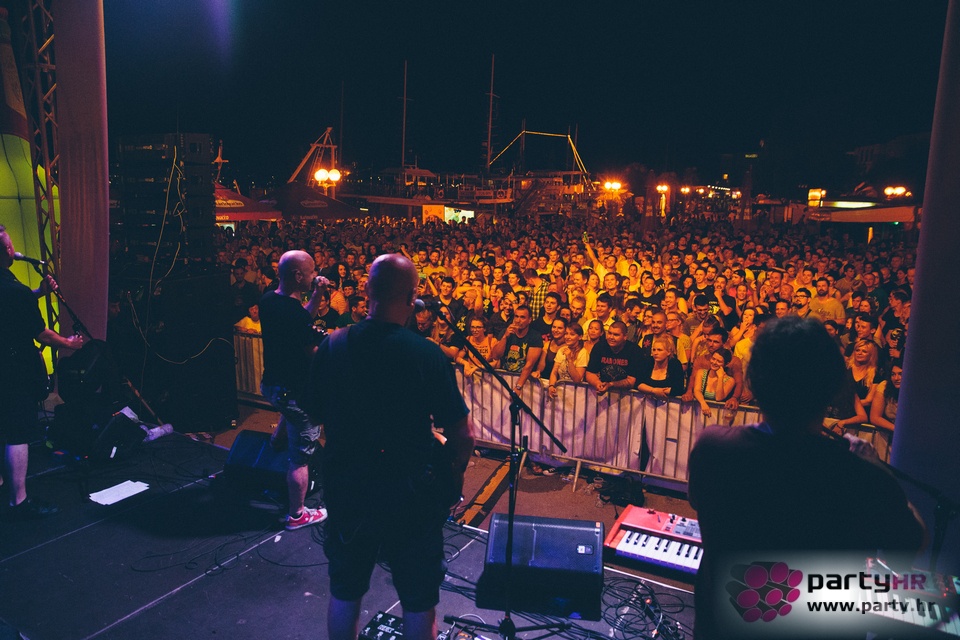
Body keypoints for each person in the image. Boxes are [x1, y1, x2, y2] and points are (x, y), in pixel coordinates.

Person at [688, 317, 924, 640]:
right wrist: (876, 468)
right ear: (832, 387)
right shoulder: (860, 474)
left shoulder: (713, 448)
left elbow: (698, 501)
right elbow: (913, 541)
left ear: (754, 382)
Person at [304, 254, 475, 640]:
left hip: (349, 486)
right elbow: (463, 433)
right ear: (414, 296)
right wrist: (453, 476)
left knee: (345, 591)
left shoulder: (334, 345)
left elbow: (313, 412)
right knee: (418, 601)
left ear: (367, 289)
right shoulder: (425, 353)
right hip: (409, 492)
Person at [1, 225, 84, 519]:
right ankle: (19, 502)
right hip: (12, 371)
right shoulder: (15, 290)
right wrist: (69, 343)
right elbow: (41, 333)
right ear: (8, 251)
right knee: (18, 433)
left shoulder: (14, 290)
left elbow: (11, 307)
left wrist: (38, 292)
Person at [258, 250, 329, 531]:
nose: (314, 276)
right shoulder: (292, 312)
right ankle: (297, 514)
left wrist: (318, 293)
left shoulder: (269, 300)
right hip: (293, 391)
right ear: (298, 275)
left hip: (272, 384)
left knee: (288, 415)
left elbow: (300, 318)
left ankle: (276, 443)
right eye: (311, 272)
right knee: (302, 454)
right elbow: (313, 354)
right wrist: (334, 346)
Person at [869, 360, 902, 432]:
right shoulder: (884, 386)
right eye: (893, 374)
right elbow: (875, 417)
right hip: (891, 433)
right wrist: (898, 430)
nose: (896, 378)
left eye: (900, 374)